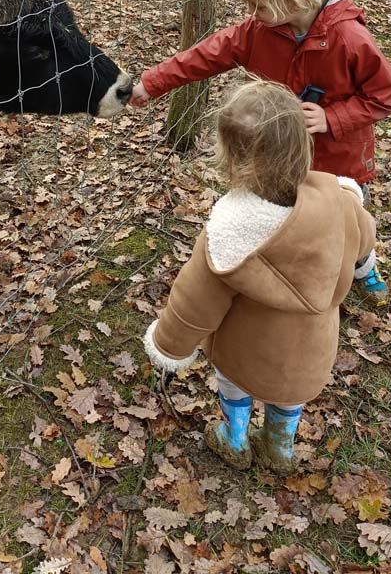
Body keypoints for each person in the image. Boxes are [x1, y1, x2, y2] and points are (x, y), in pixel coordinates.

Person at [129, 0, 391, 305]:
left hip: (338, 162)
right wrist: (150, 82)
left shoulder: (350, 40)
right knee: (282, 213)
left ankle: (363, 263)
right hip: (278, 154)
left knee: (343, 223)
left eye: (260, 6)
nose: (252, 15)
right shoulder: (260, 31)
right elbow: (206, 54)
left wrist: (332, 117)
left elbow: (384, 96)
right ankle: (285, 270)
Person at [143, 80, 376, 472]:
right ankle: (279, 448)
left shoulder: (228, 231)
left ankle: (235, 439)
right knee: (289, 397)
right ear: (303, 144)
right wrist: (366, 269)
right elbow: (364, 241)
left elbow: (193, 303)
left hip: (244, 352)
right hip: (310, 353)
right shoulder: (340, 202)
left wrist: (168, 346)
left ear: (231, 157)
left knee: (234, 385)